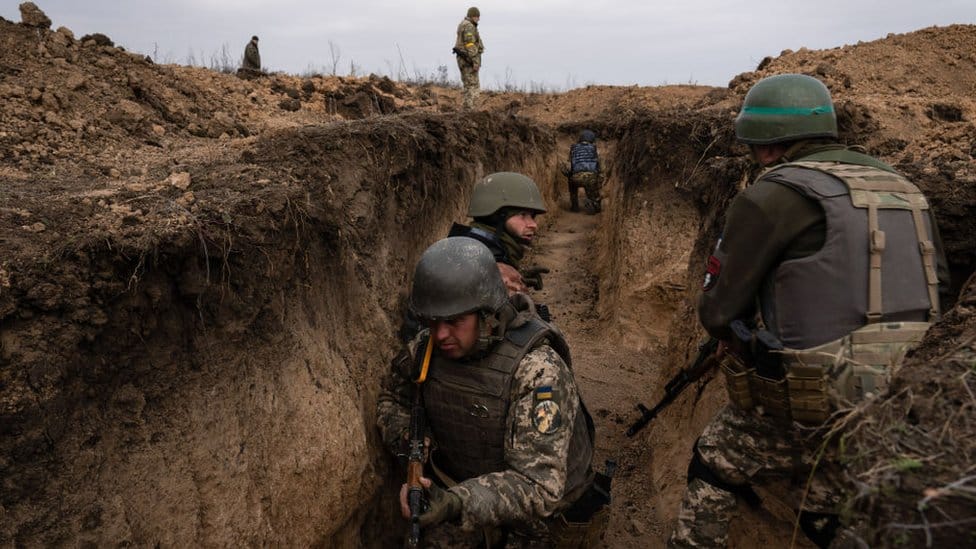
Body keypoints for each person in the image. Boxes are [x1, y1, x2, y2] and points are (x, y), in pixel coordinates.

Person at [668, 73, 950, 548]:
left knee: (716, 459)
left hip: (812, 395)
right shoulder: (906, 189)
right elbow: (938, 286)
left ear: (765, 144)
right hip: (903, 398)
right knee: (843, 492)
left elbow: (718, 312)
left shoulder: (772, 194)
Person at [377, 237, 610, 547]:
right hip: (464, 499)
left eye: (453, 321)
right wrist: (413, 443)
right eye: (432, 321)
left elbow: (537, 486)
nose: (440, 333)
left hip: (538, 521)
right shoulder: (425, 351)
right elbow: (391, 400)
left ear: (487, 314)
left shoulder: (538, 372)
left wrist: (456, 502)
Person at [448, 172, 549, 295]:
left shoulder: (467, 247)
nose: (533, 224)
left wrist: (518, 275)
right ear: (497, 217)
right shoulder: (486, 260)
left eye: (532, 216)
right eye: (522, 215)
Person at [453, 7, 484, 110]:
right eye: (477, 16)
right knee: (473, 86)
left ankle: (467, 111)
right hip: (468, 60)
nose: (478, 19)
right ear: (473, 16)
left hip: (462, 59)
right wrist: (475, 61)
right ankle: (471, 111)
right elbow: (470, 44)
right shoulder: (469, 26)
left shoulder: (463, 24)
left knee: (468, 85)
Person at [567, 130, 603, 213]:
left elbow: (569, 165)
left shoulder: (573, 148)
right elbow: (600, 166)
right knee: (593, 186)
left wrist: (571, 175)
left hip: (575, 178)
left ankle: (574, 206)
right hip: (590, 178)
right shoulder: (595, 149)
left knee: (570, 180)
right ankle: (593, 206)